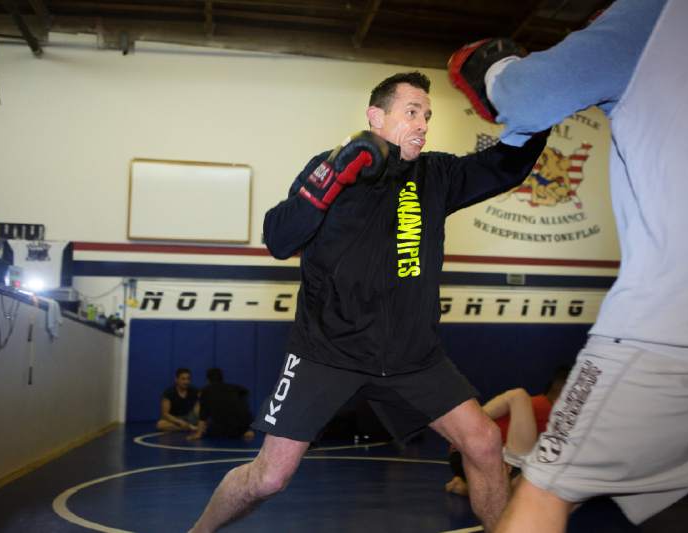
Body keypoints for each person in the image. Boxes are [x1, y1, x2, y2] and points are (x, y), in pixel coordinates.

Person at [448, 1, 688, 531]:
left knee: (541, 496)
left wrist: (492, 68)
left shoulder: (664, 13)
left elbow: (530, 96)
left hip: (687, 324)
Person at [188, 72, 549, 533]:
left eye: (428, 115)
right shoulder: (333, 167)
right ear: (376, 117)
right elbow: (279, 238)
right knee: (269, 477)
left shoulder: (435, 175)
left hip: (412, 355)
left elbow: (505, 166)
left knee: (481, 443)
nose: (422, 124)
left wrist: (542, 107)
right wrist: (330, 179)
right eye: (412, 112)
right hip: (327, 351)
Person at [446, 367, 568, 496]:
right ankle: (469, 487)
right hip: (479, 456)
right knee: (518, 395)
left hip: (468, 457)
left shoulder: (537, 408)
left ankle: (469, 484)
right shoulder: (548, 411)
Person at [188, 368, 255, 441]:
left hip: (221, 431)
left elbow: (203, 416)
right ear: (222, 378)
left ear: (208, 379)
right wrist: (248, 429)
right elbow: (245, 397)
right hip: (240, 430)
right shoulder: (235, 388)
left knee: (208, 427)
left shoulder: (206, 391)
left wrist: (198, 434)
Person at [156, 367, 199, 432]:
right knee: (160, 425)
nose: (186, 382)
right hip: (175, 419)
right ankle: (189, 428)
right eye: (183, 379)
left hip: (190, 418)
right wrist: (180, 422)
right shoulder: (169, 393)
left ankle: (190, 426)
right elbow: (165, 414)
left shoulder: (194, 390)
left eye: (188, 379)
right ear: (176, 379)